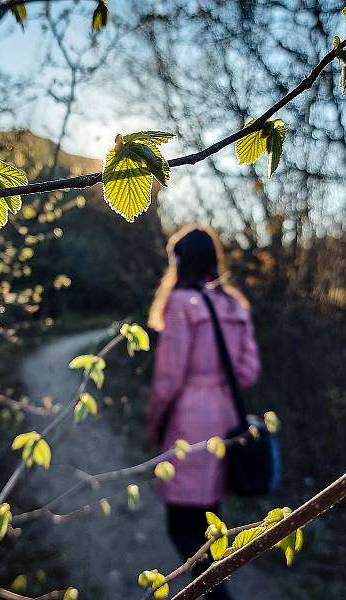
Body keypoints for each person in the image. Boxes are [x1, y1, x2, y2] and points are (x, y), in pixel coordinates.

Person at [146, 225, 260, 600]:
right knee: (209, 518)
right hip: (225, 420)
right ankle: (215, 589)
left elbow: (167, 380)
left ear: (180, 261)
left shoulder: (180, 304)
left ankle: (214, 595)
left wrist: (154, 421)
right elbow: (248, 372)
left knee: (181, 526)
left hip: (188, 422)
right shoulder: (235, 304)